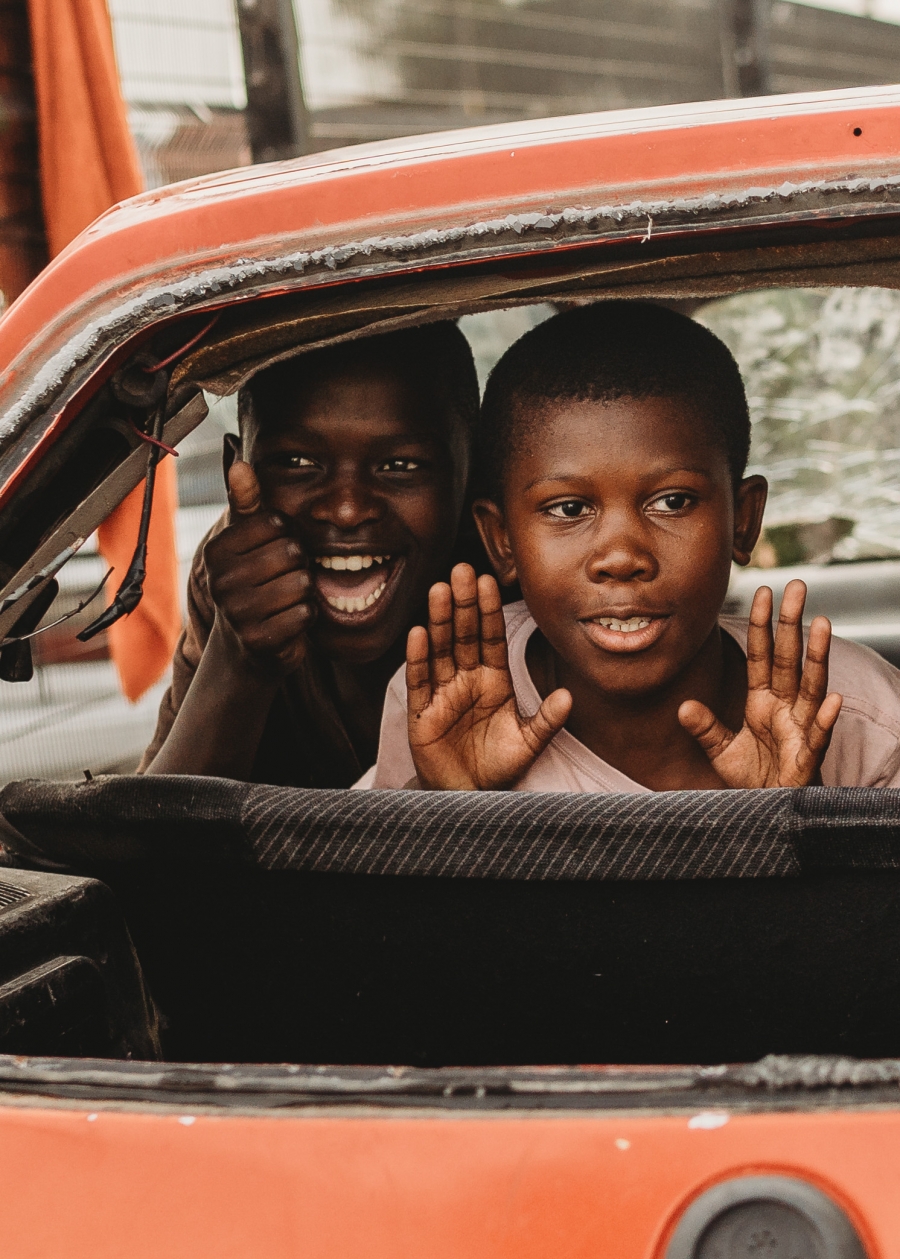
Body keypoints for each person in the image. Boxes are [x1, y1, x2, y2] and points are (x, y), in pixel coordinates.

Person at [358, 301, 900, 792]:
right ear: (501, 541)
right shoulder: (446, 704)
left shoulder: (855, 715)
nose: (621, 557)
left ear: (744, 520)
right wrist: (449, 807)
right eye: (569, 509)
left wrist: (794, 821)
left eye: (673, 502)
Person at [141, 322, 478, 786]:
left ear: (471, 474)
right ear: (236, 470)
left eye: (400, 466)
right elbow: (147, 833)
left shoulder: (522, 568)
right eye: (297, 463)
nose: (345, 510)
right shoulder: (236, 576)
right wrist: (239, 660)